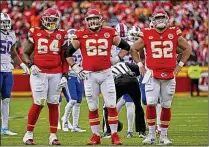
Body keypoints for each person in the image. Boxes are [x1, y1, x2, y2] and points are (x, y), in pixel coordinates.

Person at [64, 9, 131, 145]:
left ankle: (114, 135)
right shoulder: (81, 34)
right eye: (90, 19)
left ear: (100, 19)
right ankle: (95, 135)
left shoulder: (109, 32)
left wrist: (117, 59)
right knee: (93, 106)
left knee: (111, 104)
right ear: (86, 21)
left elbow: (126, 46)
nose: (92, 21)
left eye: (95, 18)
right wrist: (75, 67)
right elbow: (67, 52)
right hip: (90, 75)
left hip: (106, 74)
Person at [130, 9, 192, 145]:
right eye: (157, 18)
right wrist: (140, 65)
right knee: (151, 103)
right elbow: (133, 49)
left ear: (167, 19)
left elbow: (187, 48)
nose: (160, 21)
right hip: (152, 73)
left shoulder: (174, 32)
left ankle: (163, 136)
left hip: (170, 74)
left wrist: (180, 65)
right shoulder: (147, 33)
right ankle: (151, 135)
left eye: (162, 18)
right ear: (152, 20)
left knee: (166, 105)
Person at [22, 8, 69, 145]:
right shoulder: (35, 32)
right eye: (49, 19)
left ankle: (53, 136)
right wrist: (31, 65)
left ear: (57, 21)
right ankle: (28, 134)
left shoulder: (62, 34)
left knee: (54, 103)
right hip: (39, 72)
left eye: (54, 20)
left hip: (56, 72)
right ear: (43, 20)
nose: (51, 22)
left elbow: (64, 57)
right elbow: (25, 52)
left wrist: (65, 75)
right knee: (39, 102)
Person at [103, 24, 145, 139]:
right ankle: (137, 131)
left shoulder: (112, 46)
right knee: (133, 104)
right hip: (131, 75)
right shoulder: (131, 45)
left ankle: (110, 130)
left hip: (115, 76)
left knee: (109, 105)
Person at [0, 12, 30, 135]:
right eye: (2, 22)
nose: (5, 25)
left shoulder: (12, 35)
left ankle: (4, 128)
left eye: (7, 22)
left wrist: (22, 64)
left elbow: (13, 53)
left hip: (7, 69)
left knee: (6, 99)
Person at [61, 28, 86, 132]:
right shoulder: (65, 47)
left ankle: (75, 126)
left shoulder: (80, 47)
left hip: (78, 75)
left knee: (78, 101)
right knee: (73, 100)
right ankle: (65, 122)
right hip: (69, 75)